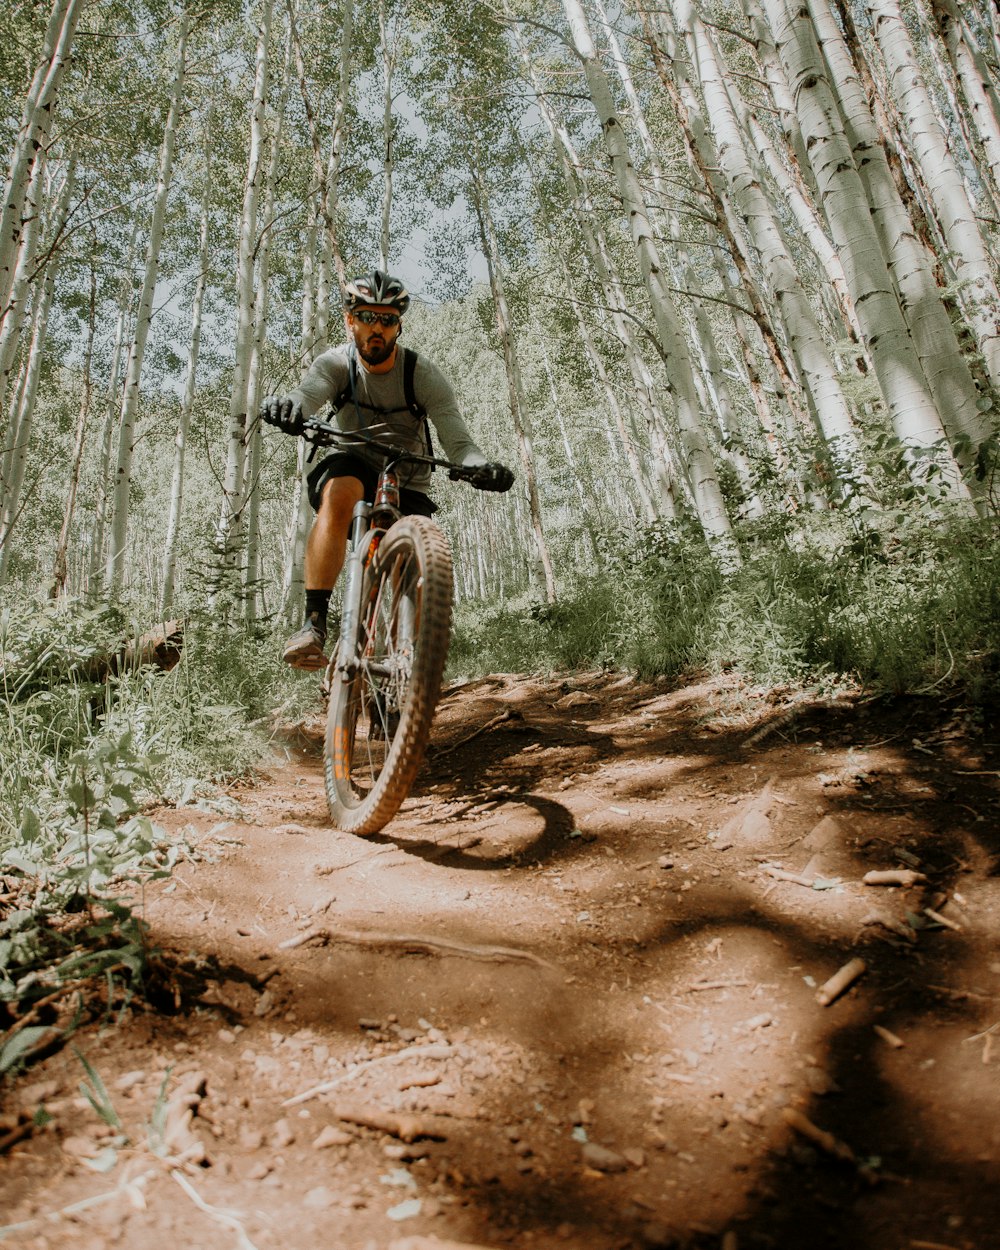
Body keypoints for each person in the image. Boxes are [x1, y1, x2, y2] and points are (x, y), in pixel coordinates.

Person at [260, 267, 514, 669]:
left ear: (398, 326)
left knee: (416, 567)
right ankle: (314, 623)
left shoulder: (422, 374)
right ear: (350, 321)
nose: (376, 327)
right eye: (366, 317)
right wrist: (291, 407)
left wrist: (482, 467)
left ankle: (408, 667)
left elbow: (460, 443)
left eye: (387, 319)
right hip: (354, 464)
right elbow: (308, 393)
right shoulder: (336, 364)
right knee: (341, 489)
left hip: (408, 478)